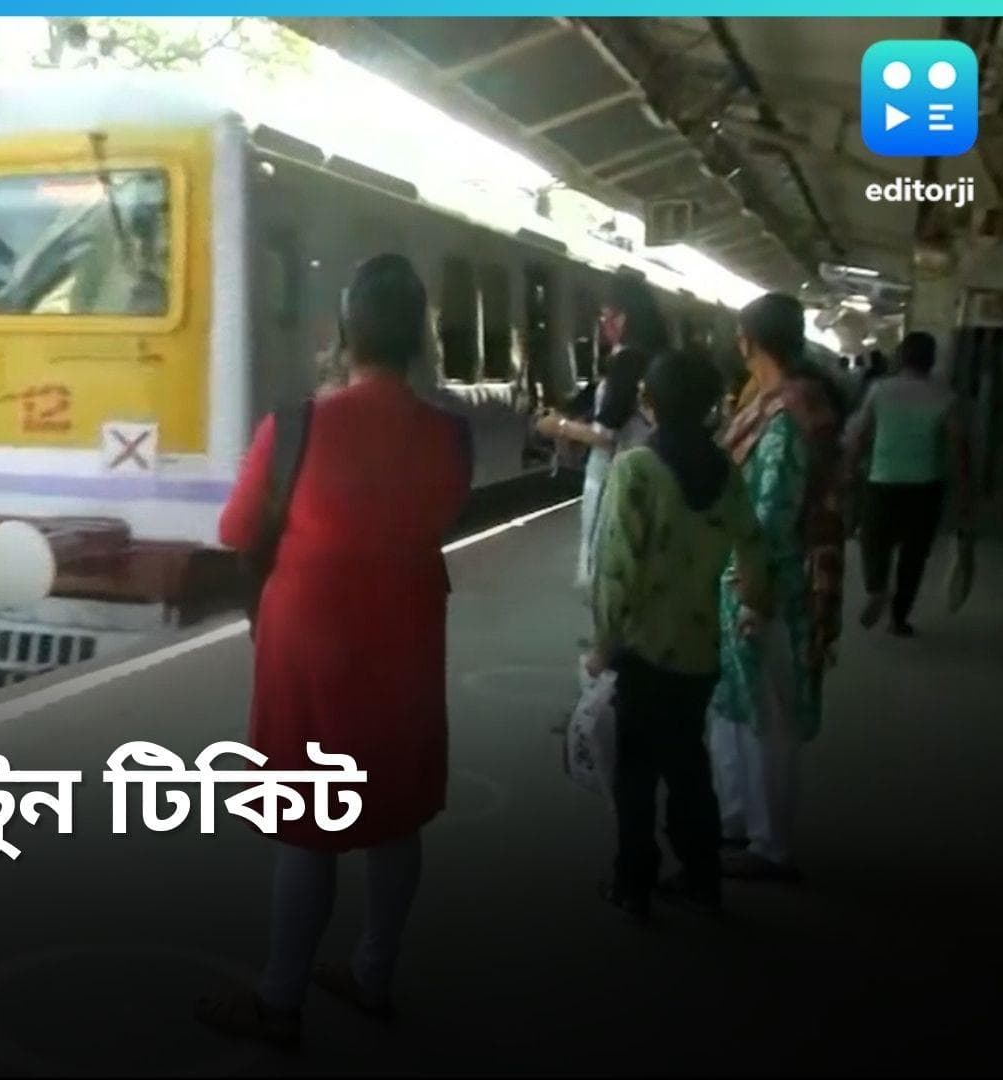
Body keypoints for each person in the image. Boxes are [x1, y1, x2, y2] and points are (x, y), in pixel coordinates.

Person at [197, 255, 469, 1048]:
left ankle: (280, 1000)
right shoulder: (450, 436)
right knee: (395, 817)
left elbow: (237, 531)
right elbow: (441, 517)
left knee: (307, 828)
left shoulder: (297, 425)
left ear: (346, 332)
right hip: (408, 641)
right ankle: (373, 973)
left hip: (310, 648)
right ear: (419, 336)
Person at [586, 350, 767, 922]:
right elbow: (755, 553)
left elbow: (615, 572)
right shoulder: (726, 472)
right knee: (689, 766)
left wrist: (603, 644)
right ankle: (702, 875)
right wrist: (755, 606)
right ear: (713, 407)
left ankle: (632, 882)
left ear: (650, 403)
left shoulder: (636, 469)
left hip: (643, 649)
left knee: (634, 776)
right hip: (699, 648)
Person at [709, 293, 847, 884]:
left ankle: (770, 845)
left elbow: (769, 513)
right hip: (750, 578)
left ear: (748, 340)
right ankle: (737, 818)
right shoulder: (783, 403)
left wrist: (750, 593)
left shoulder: (785, 414)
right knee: (736, 707)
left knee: (767, 714)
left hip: (770, 585)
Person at [533, 278, 667, 593]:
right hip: (645, 467)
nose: (606, 324)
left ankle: (611, 636)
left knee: (610, 564)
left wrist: (559, 427)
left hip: (614, 473)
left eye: (613, 316)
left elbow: (606, 433)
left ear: (630, 317)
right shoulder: (652, 357)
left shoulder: (628, 360)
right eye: (603, 317)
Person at [845, 331, 973, 635]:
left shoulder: (880, 390)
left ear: (900, 357)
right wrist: (966, 489)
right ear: (931, 360)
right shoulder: (945, 396)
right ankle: (898, 619)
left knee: (873, 543)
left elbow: (859, 435)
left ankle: (876, 587)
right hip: (926, 487)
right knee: (913, 557)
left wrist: (848, 470)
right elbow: (959, 446)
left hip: (882, 481)